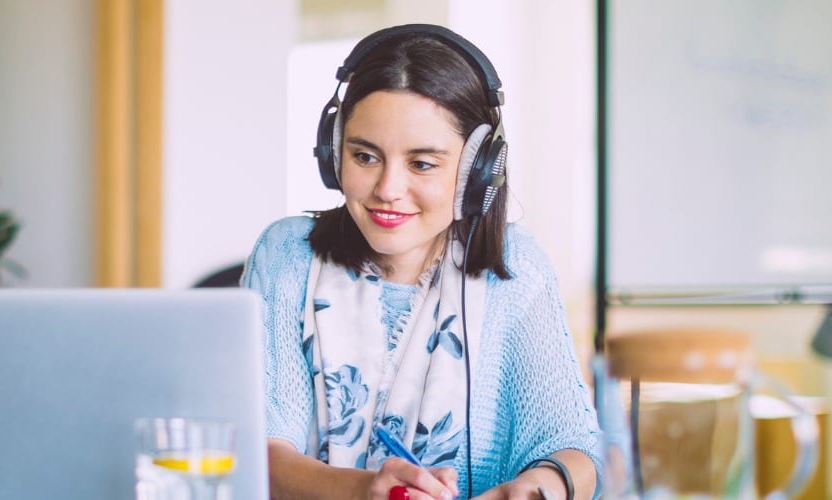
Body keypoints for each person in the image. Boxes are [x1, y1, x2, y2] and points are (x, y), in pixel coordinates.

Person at [241, 25, 600, 499]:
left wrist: (537, 489)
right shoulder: (286, 255)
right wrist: (366, 490)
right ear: (334, 153)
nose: (388, 188)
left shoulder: (516, 270)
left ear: (477, 171)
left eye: (422, 163)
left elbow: (574, 448)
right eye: (365, 156)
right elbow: (257, 451)